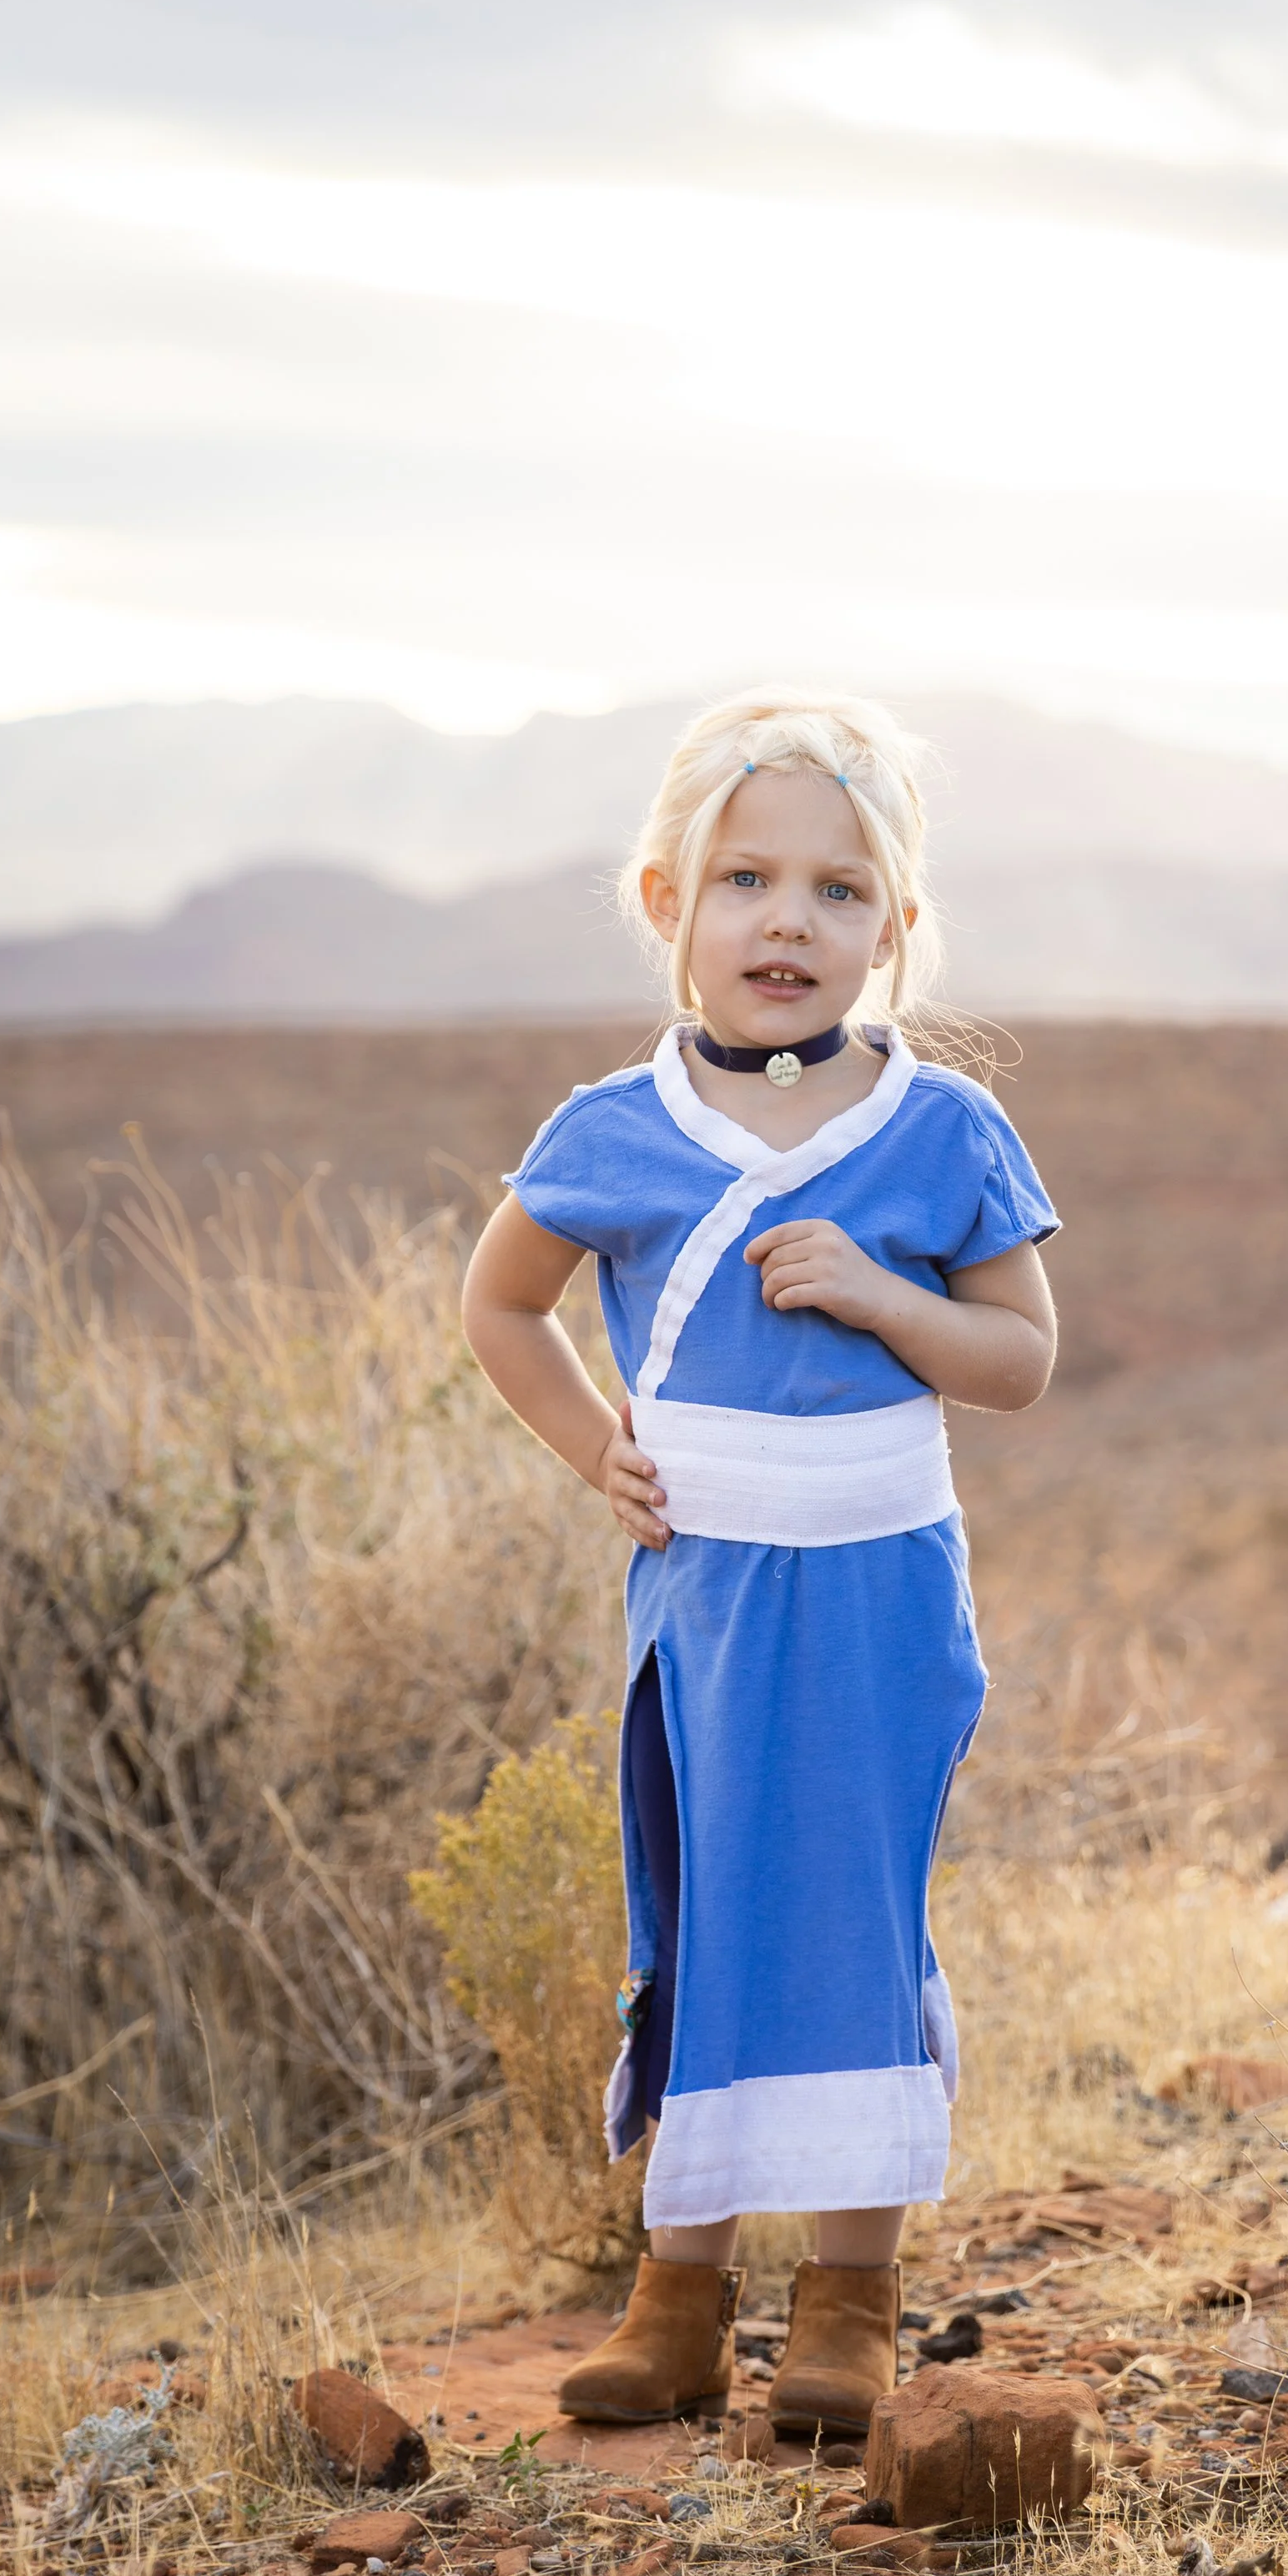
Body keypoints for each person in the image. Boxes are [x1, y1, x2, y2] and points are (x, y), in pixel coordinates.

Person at [460, 692, 1059, 2437]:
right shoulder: (609, 1130)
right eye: (743, 880)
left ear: (897, 931)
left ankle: (850, 2304)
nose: (787, 921)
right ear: (666, 903)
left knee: (851, 1921)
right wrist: (597, 1452)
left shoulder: (942, 1133)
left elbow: (1017, 1363)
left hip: (879, 1588)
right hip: (706, 1593)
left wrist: (882, 1297)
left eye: (837, 890)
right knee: (706, 1913)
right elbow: (501, 1304)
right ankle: (678, 2297)